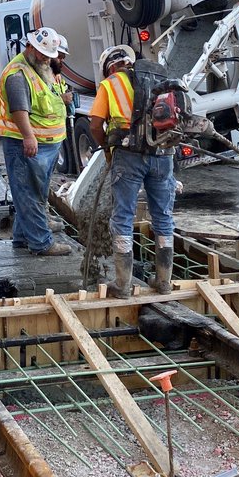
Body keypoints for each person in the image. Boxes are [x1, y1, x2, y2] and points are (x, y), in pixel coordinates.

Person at [89, 44, 179, 296]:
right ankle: (163, 282)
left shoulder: (110, 84)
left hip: (128, 155)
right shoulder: (161, 78)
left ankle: (123, 285)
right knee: (163, 217)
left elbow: (96, 125)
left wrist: (107, 149)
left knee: (123, 217)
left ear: (109, 67)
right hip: (163, 154)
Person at [0, 27, 71, 256]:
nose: (46, 59)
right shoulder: (18, 74)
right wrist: (28, 136)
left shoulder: (41, 67)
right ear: (30, 47)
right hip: (25, 143)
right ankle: (41, 243)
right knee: (28, 193)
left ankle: (21, 237)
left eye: (49, 55)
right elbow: (20, 109)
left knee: (32, 191)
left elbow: (46, 97)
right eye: (41, 53)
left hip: (46, 142)